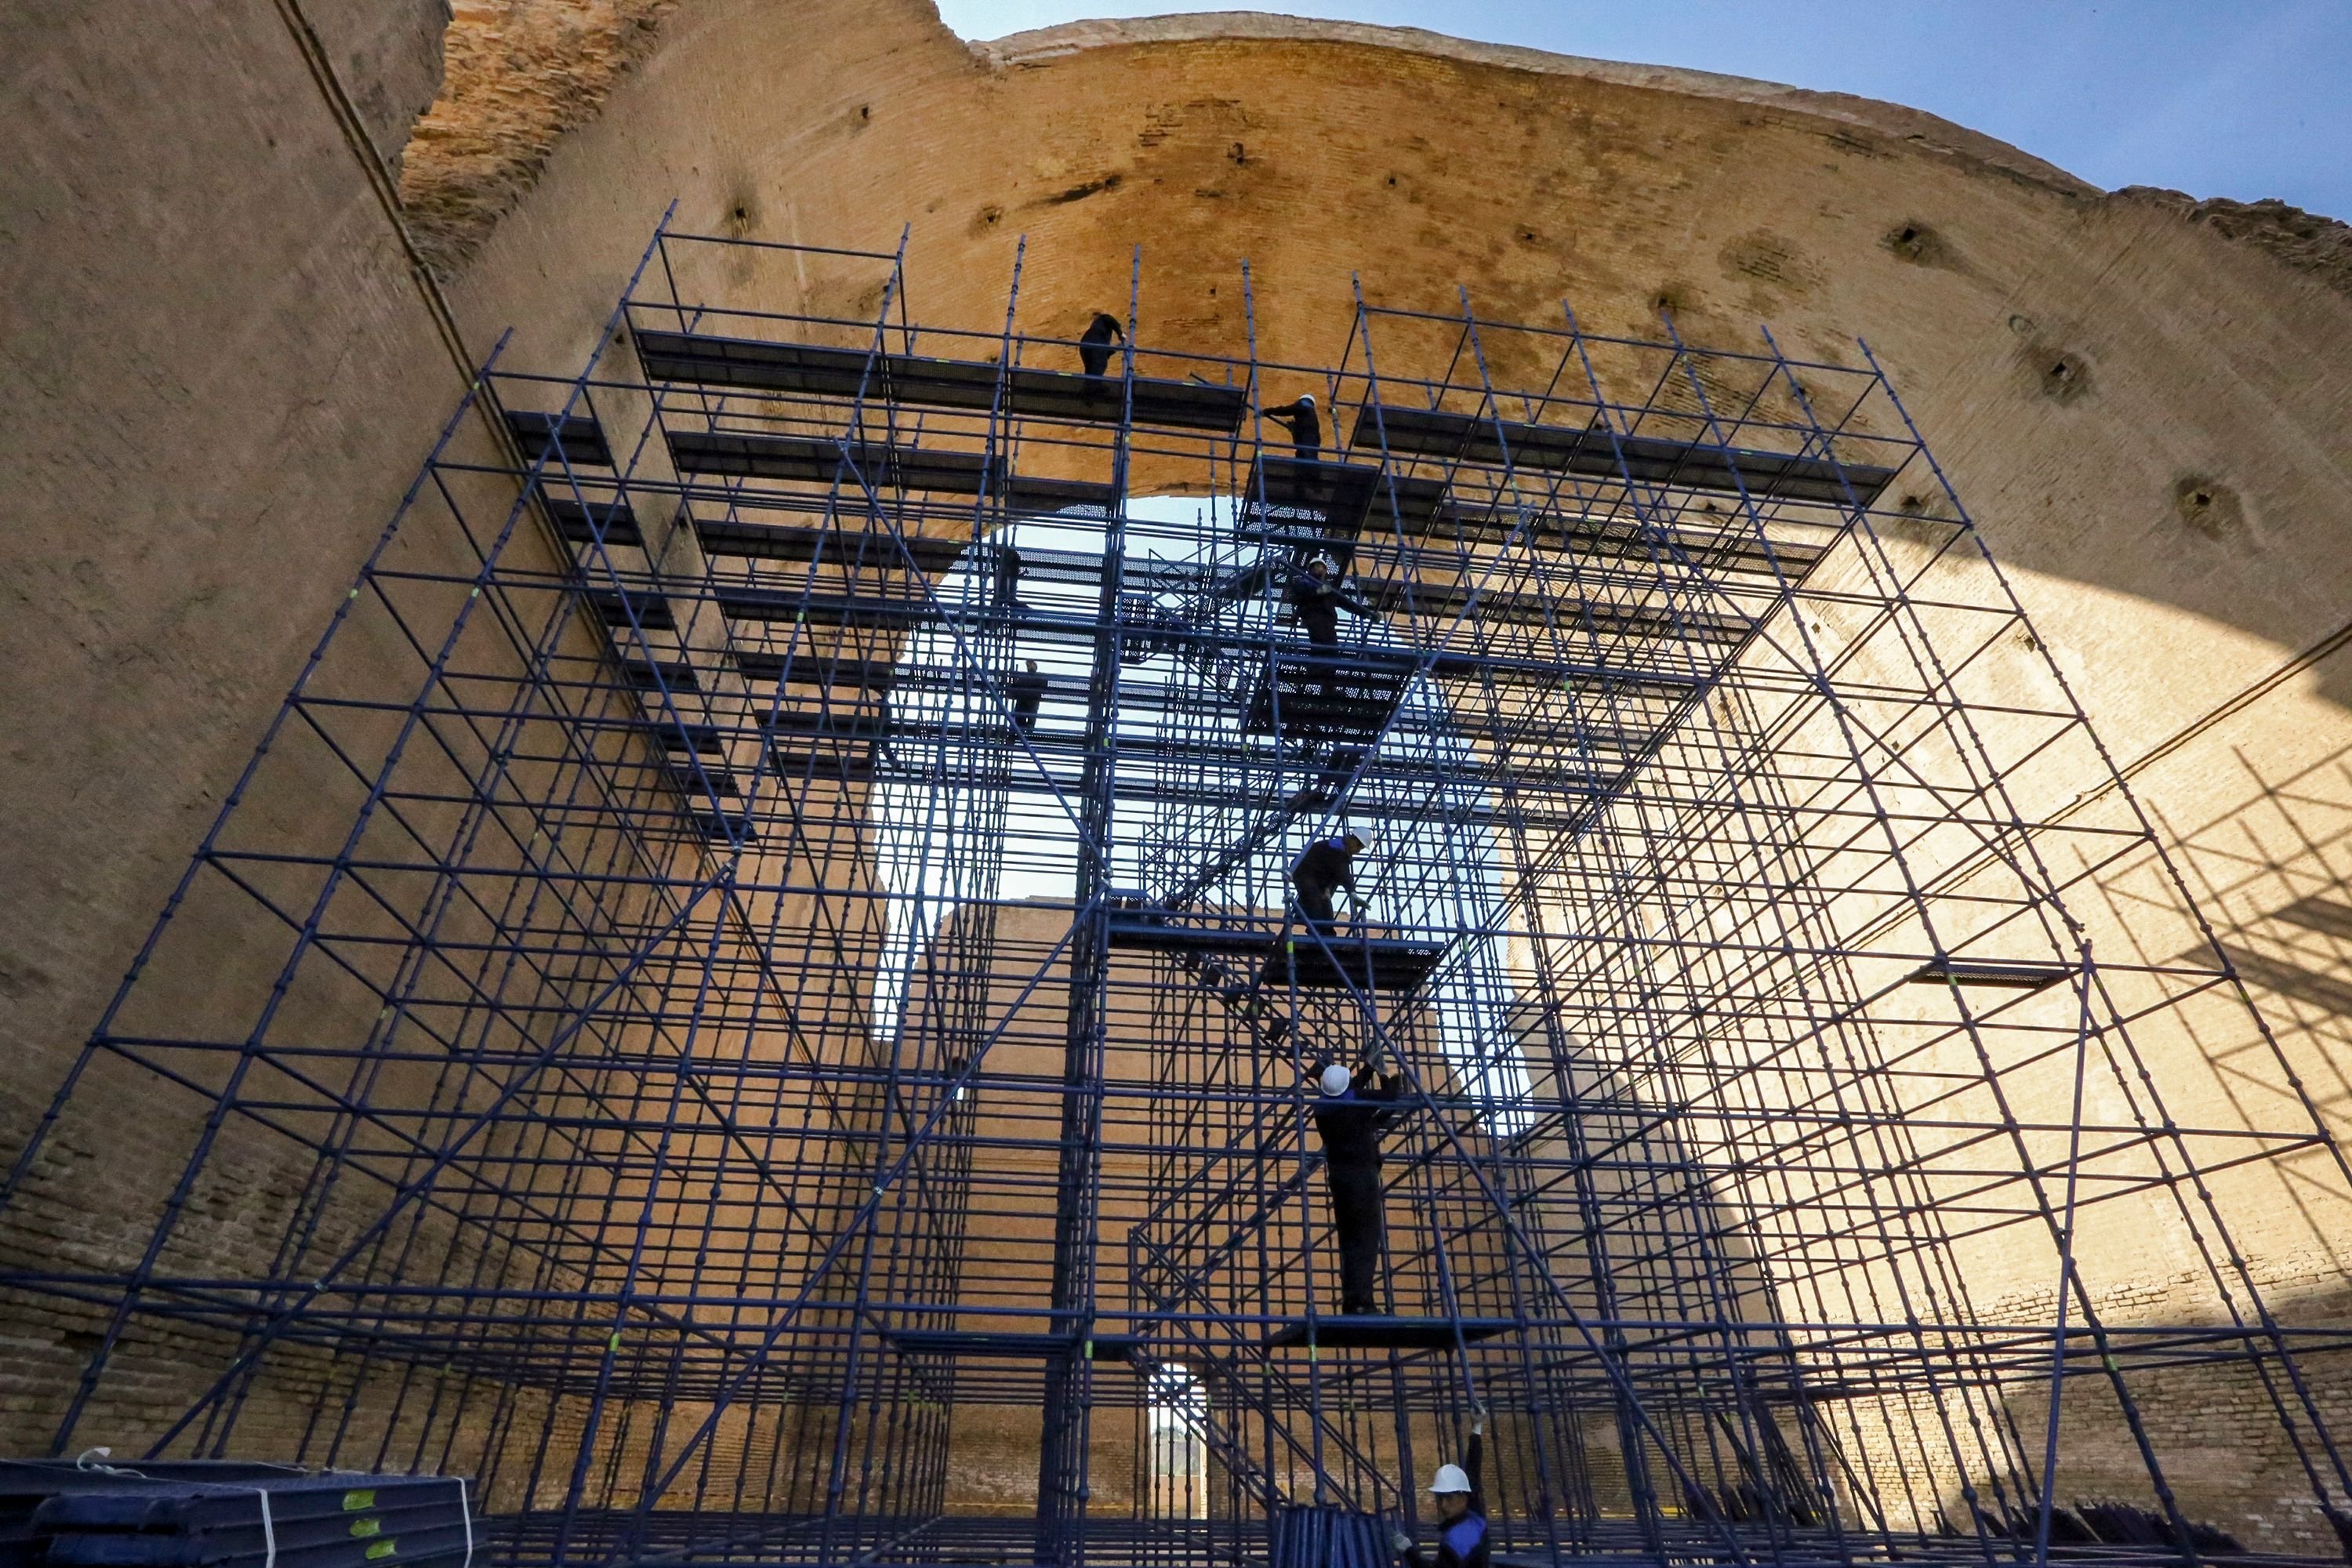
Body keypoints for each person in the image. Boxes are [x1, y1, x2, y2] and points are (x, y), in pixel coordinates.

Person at [1312, 1056, 1403, 1316]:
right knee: (1365, 1240)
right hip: (1361, 1179)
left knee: (1350, 1242)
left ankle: (1353, 1301)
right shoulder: (1357, 1106)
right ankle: (1362, 1303)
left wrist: (1367, 1069)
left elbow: (1348, 1089)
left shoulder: (1323, 1109)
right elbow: (1389, 1097)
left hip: (1340, 1179)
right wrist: (1391, 1077)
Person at [1393, 1408, 1490, 1568]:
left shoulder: (1455, 1541)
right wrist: (1477, 1427)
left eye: (1449, 1498)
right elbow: (1473, 1471)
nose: (1443, 1505)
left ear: (1463, 1498)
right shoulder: (1475, 1517)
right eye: (1440, 1498)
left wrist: (1408, 1550)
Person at [1290, 830, 1367, 935]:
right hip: (1303, 871)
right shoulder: (1336, 848)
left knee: (1324, 903)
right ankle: (1316, 931)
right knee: (1315, 898)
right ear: (1352, 839)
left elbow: (1336, 873)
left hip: (1317, 877)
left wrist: (1328, 889)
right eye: (1359, 846)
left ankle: (1327, 933)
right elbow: (1343, 872)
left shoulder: (1338, 849)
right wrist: (1352, 892)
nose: (1358, 851)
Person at [1263, 393, 1322, 458]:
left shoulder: (1303, 404)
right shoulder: (1312, 414)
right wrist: (1295, 429)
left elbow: (1286, 410)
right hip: (1314, 439)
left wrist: (1269, 411)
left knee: (1305, 456)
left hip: (1306, 437)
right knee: (1307, 456)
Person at [1079, 312, 1125, 377]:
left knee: (1093, 369)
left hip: (1086, 346)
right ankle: (1095, 384)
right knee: (1098, 367)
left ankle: (1091, 384)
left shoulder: (1096, 330)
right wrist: (1120, 333)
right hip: (1093, 344)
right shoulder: (1101, 320)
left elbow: (1103, 354)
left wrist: (1116, 348)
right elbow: (1108, 319)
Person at [1008, 659, 1047, 735]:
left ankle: (1025, 731)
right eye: (1028, 665)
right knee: (1021, 719)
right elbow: (1016, 686)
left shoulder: (1036, 677)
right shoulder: (1025, 677)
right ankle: (1021, 731)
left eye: (1030, 665)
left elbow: (1043, 685)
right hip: (1025, 700)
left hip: (1030, 700)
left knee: (1028, 718)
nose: (1029, 667)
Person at [993, 539, 1023, 610]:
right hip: (1007, 579)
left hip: (1008, 579)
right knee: (1002, 599)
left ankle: (1026, 611)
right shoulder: (1009, 556)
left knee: (1005, 599)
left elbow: (1011, 569)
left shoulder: (1010, 555)